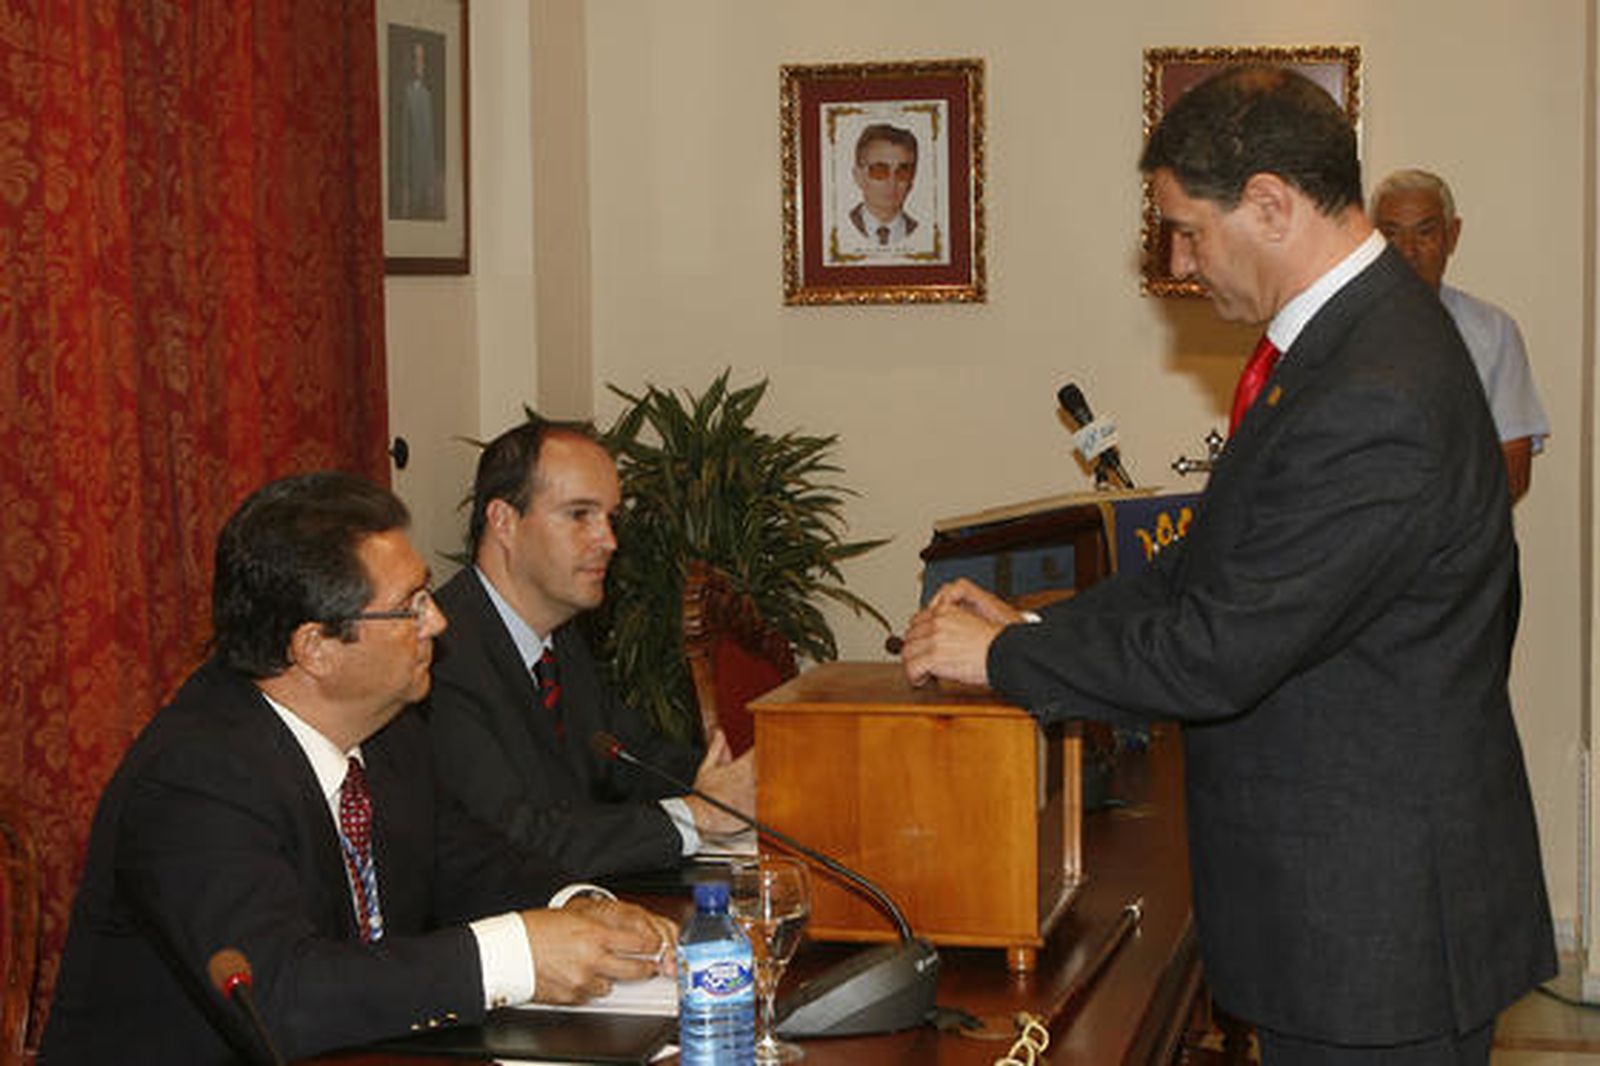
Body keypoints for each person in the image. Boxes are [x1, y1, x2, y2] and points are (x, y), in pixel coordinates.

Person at [902, 66, 1554, 1064]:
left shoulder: (1374, 386)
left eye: (1186, 229)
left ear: (1270, 204)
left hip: (1376, 937)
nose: (1175, 260)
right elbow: (1206, 563)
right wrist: (1033, 626)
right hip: (1349, 914)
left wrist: (1001, 663)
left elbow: (1218, 648)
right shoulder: (1343, 345)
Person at [41, 472, 677, 1064]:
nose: (439, 620)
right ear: (314, 646)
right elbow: (283, 995)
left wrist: (579, 905)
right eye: (412, 605)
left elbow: (463, 860)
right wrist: (516, 954)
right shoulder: (194, 779)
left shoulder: (389, 730)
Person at [426, 419, 754, 879]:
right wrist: (697, 816)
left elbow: (636, 756)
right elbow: (517, 838)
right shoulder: (438, 657)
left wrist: (732, 780)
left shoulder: (560, 639)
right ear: (504, 521)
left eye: (610, 518)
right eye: (580, 514)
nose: (609, 541)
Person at [1372, 167, 1550, 501]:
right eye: (1392, 234)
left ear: (1452, 236)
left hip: (1462, 542)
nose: (1408, 251)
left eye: (1425, 233)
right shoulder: (1344, 331)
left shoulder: (1493, 331)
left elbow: (1514, 467)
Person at [846, 123, 920, 247]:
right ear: (858, 176)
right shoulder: (841, 228)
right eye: (879, 170)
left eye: (902, 172)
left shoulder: (924, 233)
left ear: (912, 179)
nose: (892, 182)